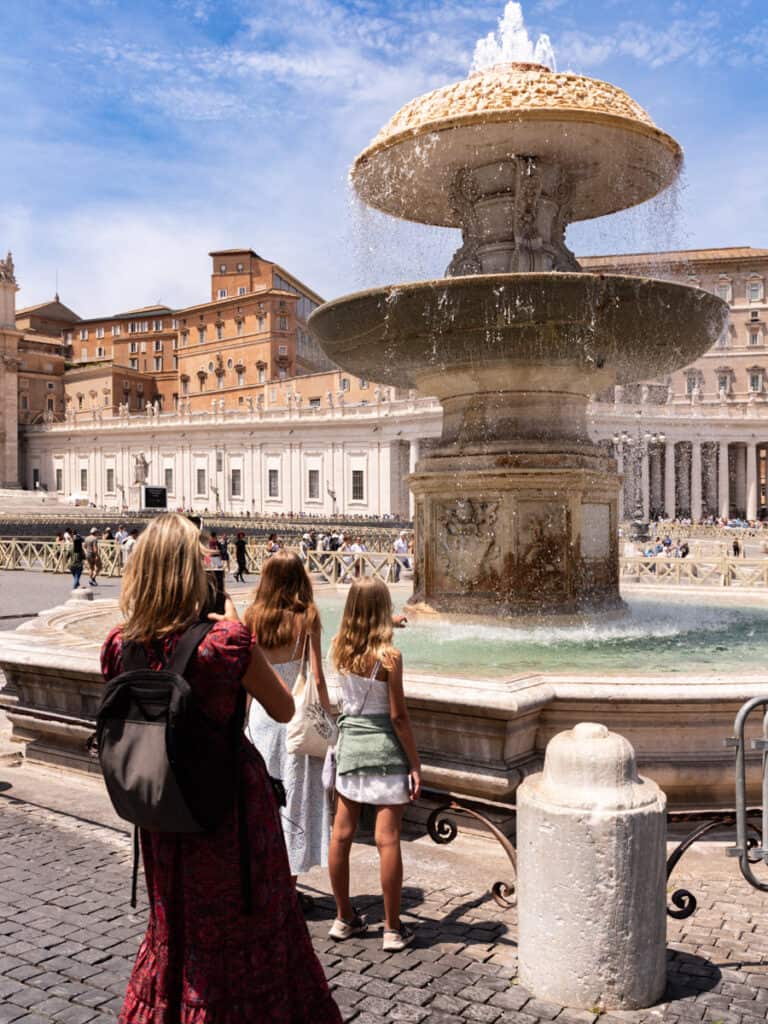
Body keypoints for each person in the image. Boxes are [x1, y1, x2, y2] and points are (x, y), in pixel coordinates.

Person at [100, 513, 341, 1023]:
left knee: (176, 923)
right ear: (193, 573)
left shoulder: (120, 645)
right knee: (243, 922)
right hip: (230, 810)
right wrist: (232, 624)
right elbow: (283, 709)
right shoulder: (223, 644)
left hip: (163, 807)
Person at [327, 577, 421, 952]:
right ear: (383, 611)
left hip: (350, 750)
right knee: (388, 840)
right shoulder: (390, 658)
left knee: (342, 835)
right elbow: (399, 717)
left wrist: (389, 625)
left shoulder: (338, 647)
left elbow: (361, 632)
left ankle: (342, 917)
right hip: (384, 752)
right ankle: (393, 929)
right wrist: (414, 763)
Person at [244, 550, 333, 911]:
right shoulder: (307, 617)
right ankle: (287, 890)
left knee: (261, 804)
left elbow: (245, 675)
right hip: (294, 719)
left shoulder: (251, 617)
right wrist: (328, 718)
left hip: (261, 720)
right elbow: (317, 676)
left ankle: (260, 885)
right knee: (294, 803)